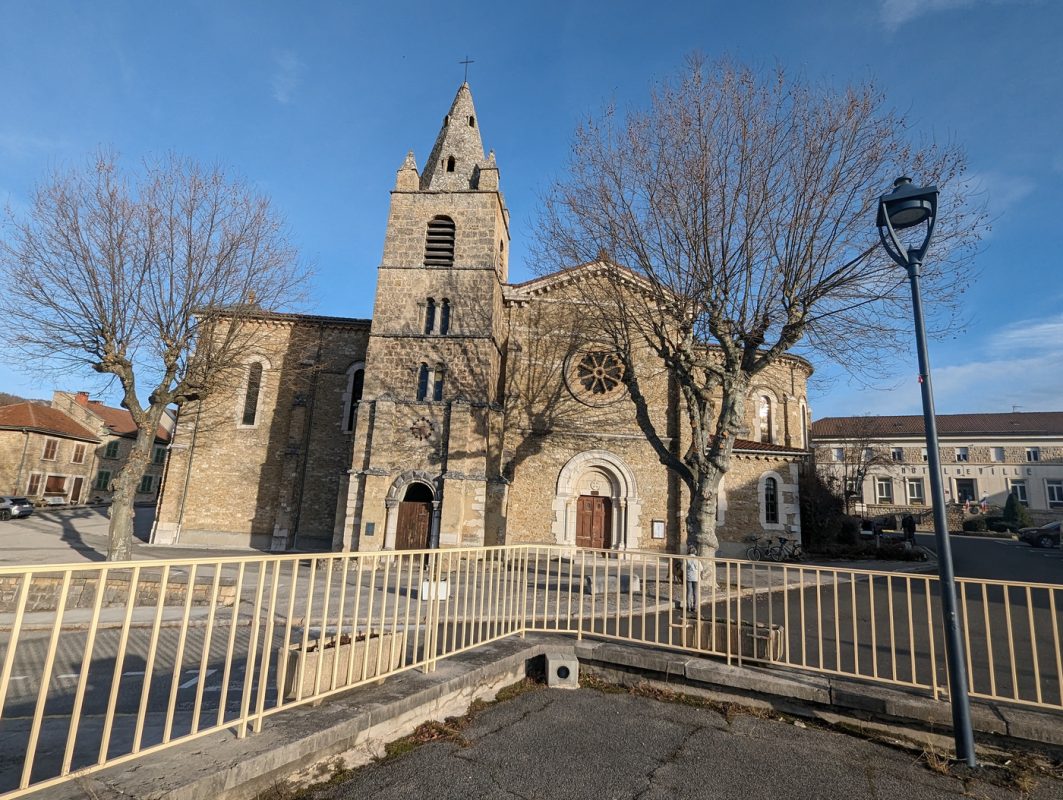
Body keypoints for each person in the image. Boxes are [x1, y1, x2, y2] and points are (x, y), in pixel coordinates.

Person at [685, 545, 700, 614]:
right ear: (695, 552)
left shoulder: (686, 558)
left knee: (689, 592)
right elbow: (701, 568)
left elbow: (682, 568)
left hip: (689, 577)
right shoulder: (697, 559)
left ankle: (689, 607)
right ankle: (695, 607)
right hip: (696, 577)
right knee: (695, 592)